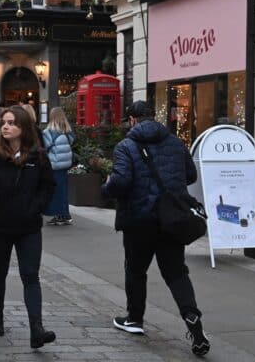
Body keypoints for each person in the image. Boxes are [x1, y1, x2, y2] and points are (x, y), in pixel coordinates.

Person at [101, 101, 209, 356]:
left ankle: (134, 319)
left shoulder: (125, 146)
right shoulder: (174, 142)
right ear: (153, 117)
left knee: (136, 270)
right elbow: (190, 175)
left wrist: (106, 188)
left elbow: (121, 181)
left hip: (139, 219)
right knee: (176, 273)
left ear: (133, 120)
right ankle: (193, 320)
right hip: (171, 218)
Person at [0, 105, 56, 349]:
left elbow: (48, 186)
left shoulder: (37, 157)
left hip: (28, 227)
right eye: (4, 122)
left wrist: (36, 206)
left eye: (12, 122)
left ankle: (36, 328)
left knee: (30, 275)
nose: (6, 126)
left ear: (24, 128)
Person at [42, 107, 75, 225]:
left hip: (54, 165)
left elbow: (44, 147)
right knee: (63, 190)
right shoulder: (67, 130)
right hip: (65, 164)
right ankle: (65, 214)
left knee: (56, 191)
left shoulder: (49, 131)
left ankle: (60, 215)